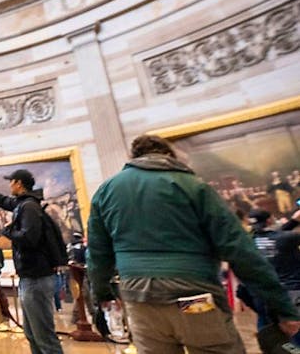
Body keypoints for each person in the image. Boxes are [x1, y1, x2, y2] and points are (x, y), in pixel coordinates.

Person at [86, 134, 300, 354]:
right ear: (169, 155)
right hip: (192, 297)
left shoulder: (106, 191)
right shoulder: (192, 186)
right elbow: (240, 250)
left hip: (139, 298)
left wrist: (102, 294)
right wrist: (282, 308)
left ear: (133, 157)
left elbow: (97, 253)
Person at [0, 170, 64, 354]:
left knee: (44, 337)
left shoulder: (29, 207)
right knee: (32, 333)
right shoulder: (23, 204)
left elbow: (29, 238)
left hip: (37, 278)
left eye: (11, 182)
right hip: (31, 278)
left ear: (19, 184)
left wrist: (7, 231)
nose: (10, 185)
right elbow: (2, 200)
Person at [245, 209, 300, 343]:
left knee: (269, 331)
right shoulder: (287, 238)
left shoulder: (249, 241)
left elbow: (273, 237)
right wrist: (293, 221)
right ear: (269, 220)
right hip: (291, 291)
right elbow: (279, 237)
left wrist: (293, 222)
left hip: (262, 293)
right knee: (295, 331)